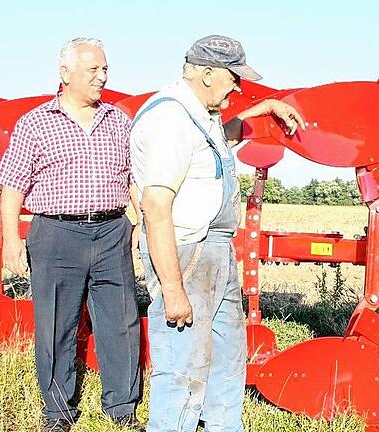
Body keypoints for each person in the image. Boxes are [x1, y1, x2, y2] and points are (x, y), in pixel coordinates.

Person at [130, 35, 304, 432]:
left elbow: (222, 136)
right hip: (186, 253)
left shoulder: (198, 115)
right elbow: (155, 206)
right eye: (233, 78)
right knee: (183, 368)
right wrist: (172, 290)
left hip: (216, 251)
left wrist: (267, 108)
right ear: (207, 74)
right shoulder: (170, 119)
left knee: (227, 357)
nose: (238, 87)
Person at [0, 37, 142, 432]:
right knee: (56, 323)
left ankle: (122, 410)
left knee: (121, 321)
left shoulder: (118, 120)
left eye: (105, 69)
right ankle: (58, 413)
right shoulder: (36, 122)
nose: (102, 77)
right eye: (93, 69)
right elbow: (11, 186)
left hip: (112, 230)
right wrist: (11, 239)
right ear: (65, 73)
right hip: (56, 234)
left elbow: (132, 180)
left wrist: (140, 223)